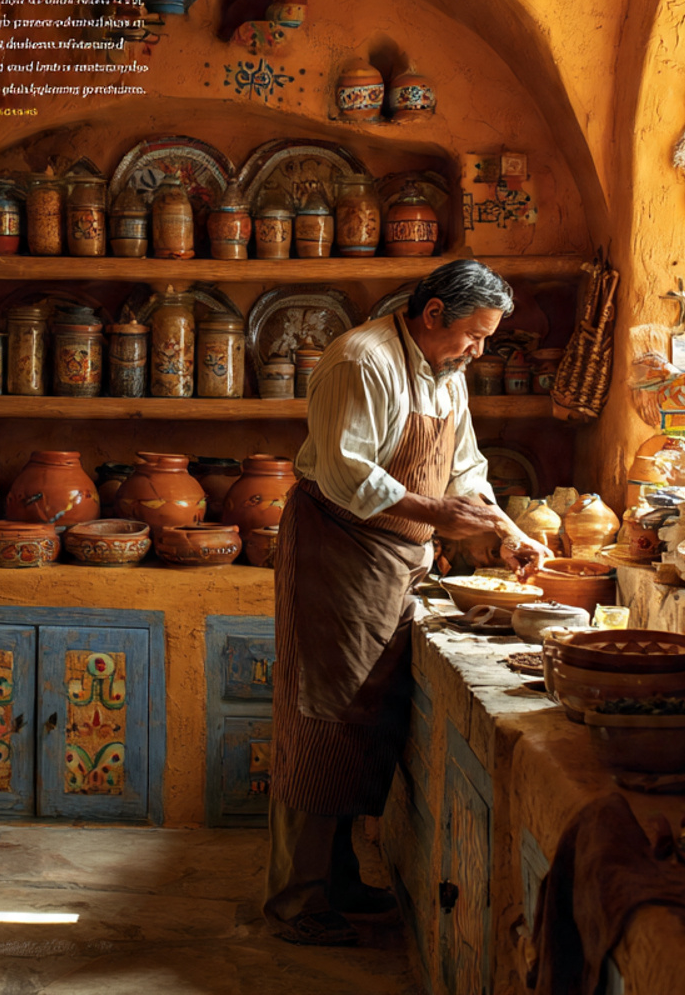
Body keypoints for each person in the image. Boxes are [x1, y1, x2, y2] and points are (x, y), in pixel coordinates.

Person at [263, 259, 550, 946]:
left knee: (364, 723)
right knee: (321, 719)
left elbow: (466, 468)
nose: (478, 351)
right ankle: (296, 900)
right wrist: (436, 514)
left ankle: (337, 881)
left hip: (394, 562)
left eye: (486, 339)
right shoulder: (361, 360)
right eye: (473, 335)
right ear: (433, 314)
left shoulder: (446, 373)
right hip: (336, 551)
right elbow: (345, 472)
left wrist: (506, 531)